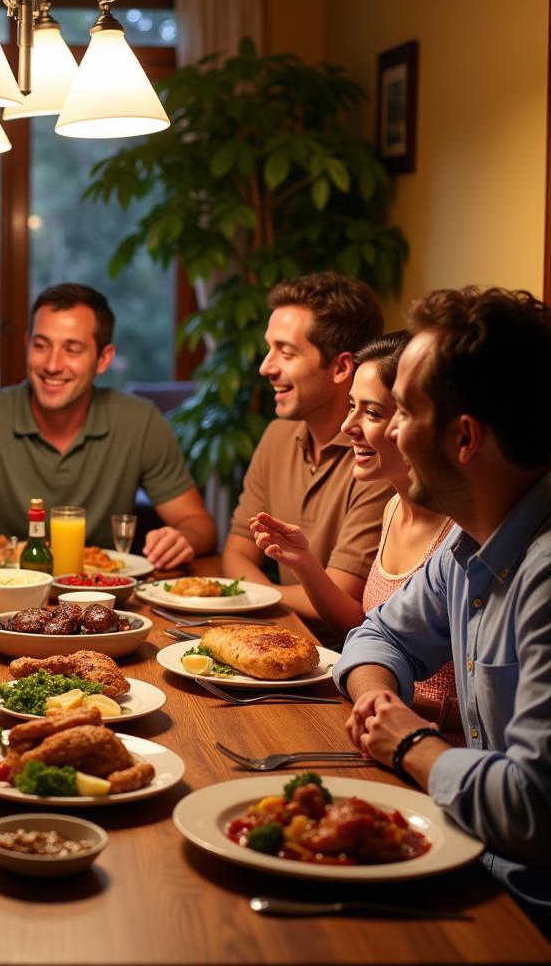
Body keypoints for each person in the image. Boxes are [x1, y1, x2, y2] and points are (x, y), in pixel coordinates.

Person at [336, 287, 551, 928]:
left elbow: (535, 810)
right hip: (466, 857)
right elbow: (381, 636)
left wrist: (410, 746)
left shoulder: (543, 573)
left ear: (463, 438)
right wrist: (380, 702)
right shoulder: (470, 537)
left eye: (403, 411)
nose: (393, 432)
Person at [0, 283, 216, 570]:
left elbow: (199, 524)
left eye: (72, 350)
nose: (52, 365)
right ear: (26, 343)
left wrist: (182, 539)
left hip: (99, 596)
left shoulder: (140, 421)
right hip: (2, 595)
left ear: (103, 359)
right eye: (41, 345)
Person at [250, 331, 457, 726]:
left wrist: (391, 710)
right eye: (351, 407)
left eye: (372, 413)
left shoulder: (460, 534)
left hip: (429, 742)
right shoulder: (393, 506)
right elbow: (369, 631)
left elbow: (479, 712)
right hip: (371, 718)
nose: (348, 426)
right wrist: (306, 563)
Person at [221, 272, 390, 637]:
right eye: (270, 349)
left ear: (342, 367)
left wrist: (251, 594)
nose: (266, 367)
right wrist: (273, 595)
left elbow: (342, 600)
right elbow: (235, 552)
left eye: (286, 351)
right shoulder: (277, 435)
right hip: (281, 640)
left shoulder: (379, 456)